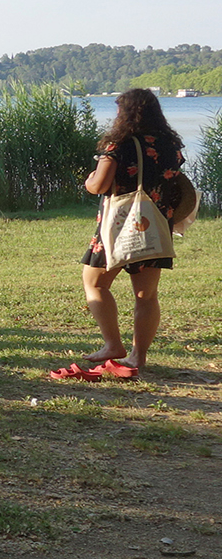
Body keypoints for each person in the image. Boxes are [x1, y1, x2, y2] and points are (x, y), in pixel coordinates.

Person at [78, 88, 187, 376]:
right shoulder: (170, 143)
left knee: (95, 282)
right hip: (156, 224)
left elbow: (100, 185)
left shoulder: (119, 144)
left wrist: (89, 179)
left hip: (118, 226)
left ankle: (113, 345)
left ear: (126, 113)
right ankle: (138, 356)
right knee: (146, 295)